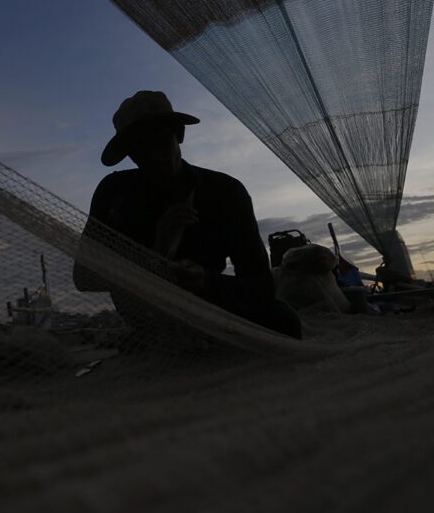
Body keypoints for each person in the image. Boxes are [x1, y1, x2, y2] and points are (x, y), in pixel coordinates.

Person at [73, 90, 302, 340]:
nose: (153, 156)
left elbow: (260, 286)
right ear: (130, 155)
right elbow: (84, 278)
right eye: (139, 149)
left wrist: (205, 281)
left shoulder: (226, 191)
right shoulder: (113, 193)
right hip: (149, 317)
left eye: (160, 141)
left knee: (284, 320)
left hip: (212, 308)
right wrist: (154, 256)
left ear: (179, 134)